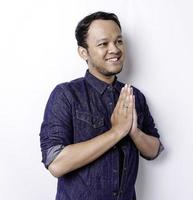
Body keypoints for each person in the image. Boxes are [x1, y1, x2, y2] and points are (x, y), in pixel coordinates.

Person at [39, 11, 164, 200]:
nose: (114, 49)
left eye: (119, 41)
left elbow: (154, 150)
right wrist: (116, 132)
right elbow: (56, 163)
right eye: (103, 44)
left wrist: (134, 132)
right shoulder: (66, 95)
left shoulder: (134, 96)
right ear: (84, 52)